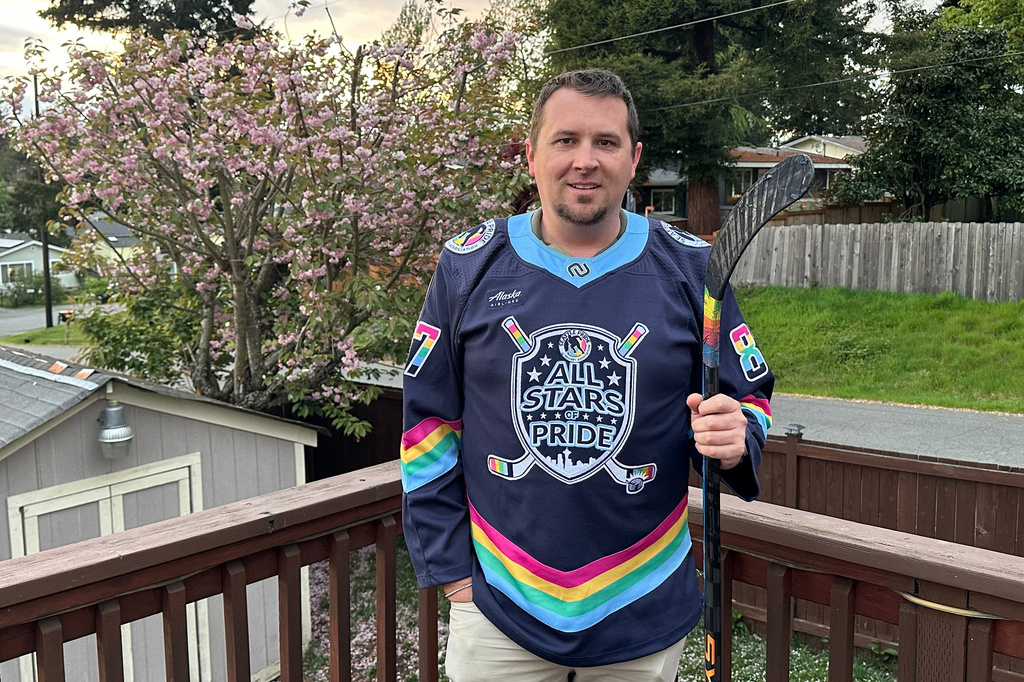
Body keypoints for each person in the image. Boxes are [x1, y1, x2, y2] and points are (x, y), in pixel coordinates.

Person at [400, 69, 773, 681]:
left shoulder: (692, 271)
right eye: (565, 140)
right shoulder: (468, 267)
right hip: (499, 606)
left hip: (642, 605)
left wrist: (738, 437)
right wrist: (453, 577)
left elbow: (747, 397)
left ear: (634, 160)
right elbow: (428, 425)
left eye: (605, 142)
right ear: (531, 155)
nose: (585, 161)